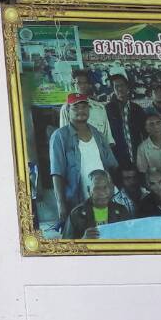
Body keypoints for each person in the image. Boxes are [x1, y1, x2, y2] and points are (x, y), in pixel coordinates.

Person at [49, 94, 118, 225]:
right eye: (76, 107)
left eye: (84, 106)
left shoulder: (97, 134)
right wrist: (61, 205)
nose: (81, 110)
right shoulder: (60, 136)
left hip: (103, 197)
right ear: (68, 110)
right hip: (78, 200)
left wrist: (111, 192)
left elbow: (111, 165)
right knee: (85, 232)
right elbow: (57, 173)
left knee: (103, 231)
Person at [62, 170, 129, 240]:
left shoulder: (121, 211)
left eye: (105, 187)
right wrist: (83, 240)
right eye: (97, 188)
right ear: (88, 190)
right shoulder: (77, 214)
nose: (102, 192)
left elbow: (131, 239)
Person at [104, 72, 146, 169]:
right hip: (116, 158)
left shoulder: (137, 109)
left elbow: (144, 133)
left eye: (122, 85)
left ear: (127, 87)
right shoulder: (107, 110)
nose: (120, 89)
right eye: (116, 86)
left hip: (137, 155)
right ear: (113, 90)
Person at [56, 69, 110, 137]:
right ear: (74, 85)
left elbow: (108, 137)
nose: (82, 86)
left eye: (85, 83)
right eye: (79, 83)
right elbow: (64, 136)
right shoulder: (66, 108)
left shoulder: (99, 108)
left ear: (89, 85)